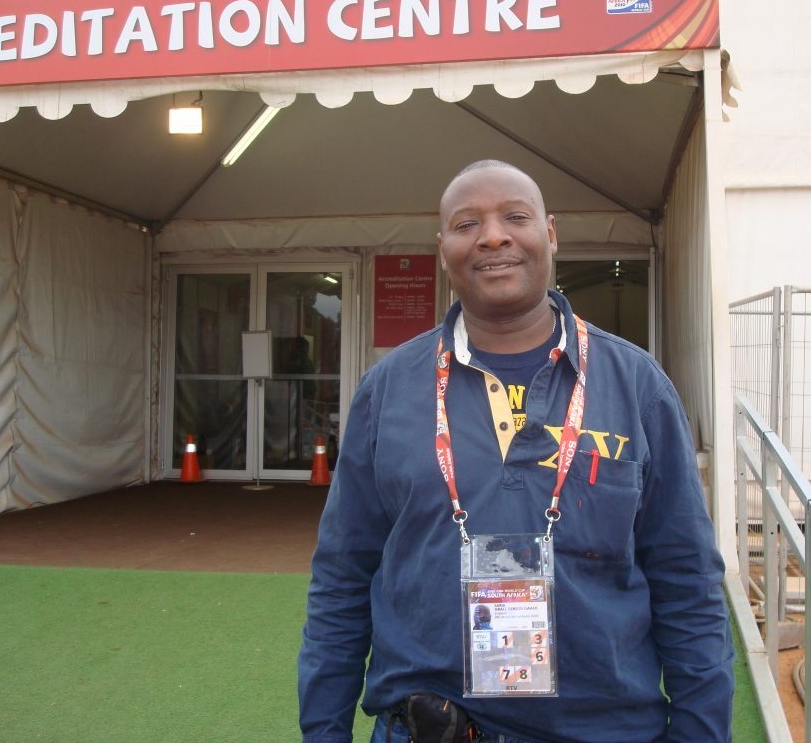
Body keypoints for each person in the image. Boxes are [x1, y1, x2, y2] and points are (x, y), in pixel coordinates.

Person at [298, 160, 734, 742]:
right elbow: (342, 576)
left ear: (550, 234)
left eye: (515, 217)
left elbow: (688, 583)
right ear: (443, 249)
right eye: (466, 224)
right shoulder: (388, 389)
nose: (492, 236)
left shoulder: (636, 386)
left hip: (606, 730)